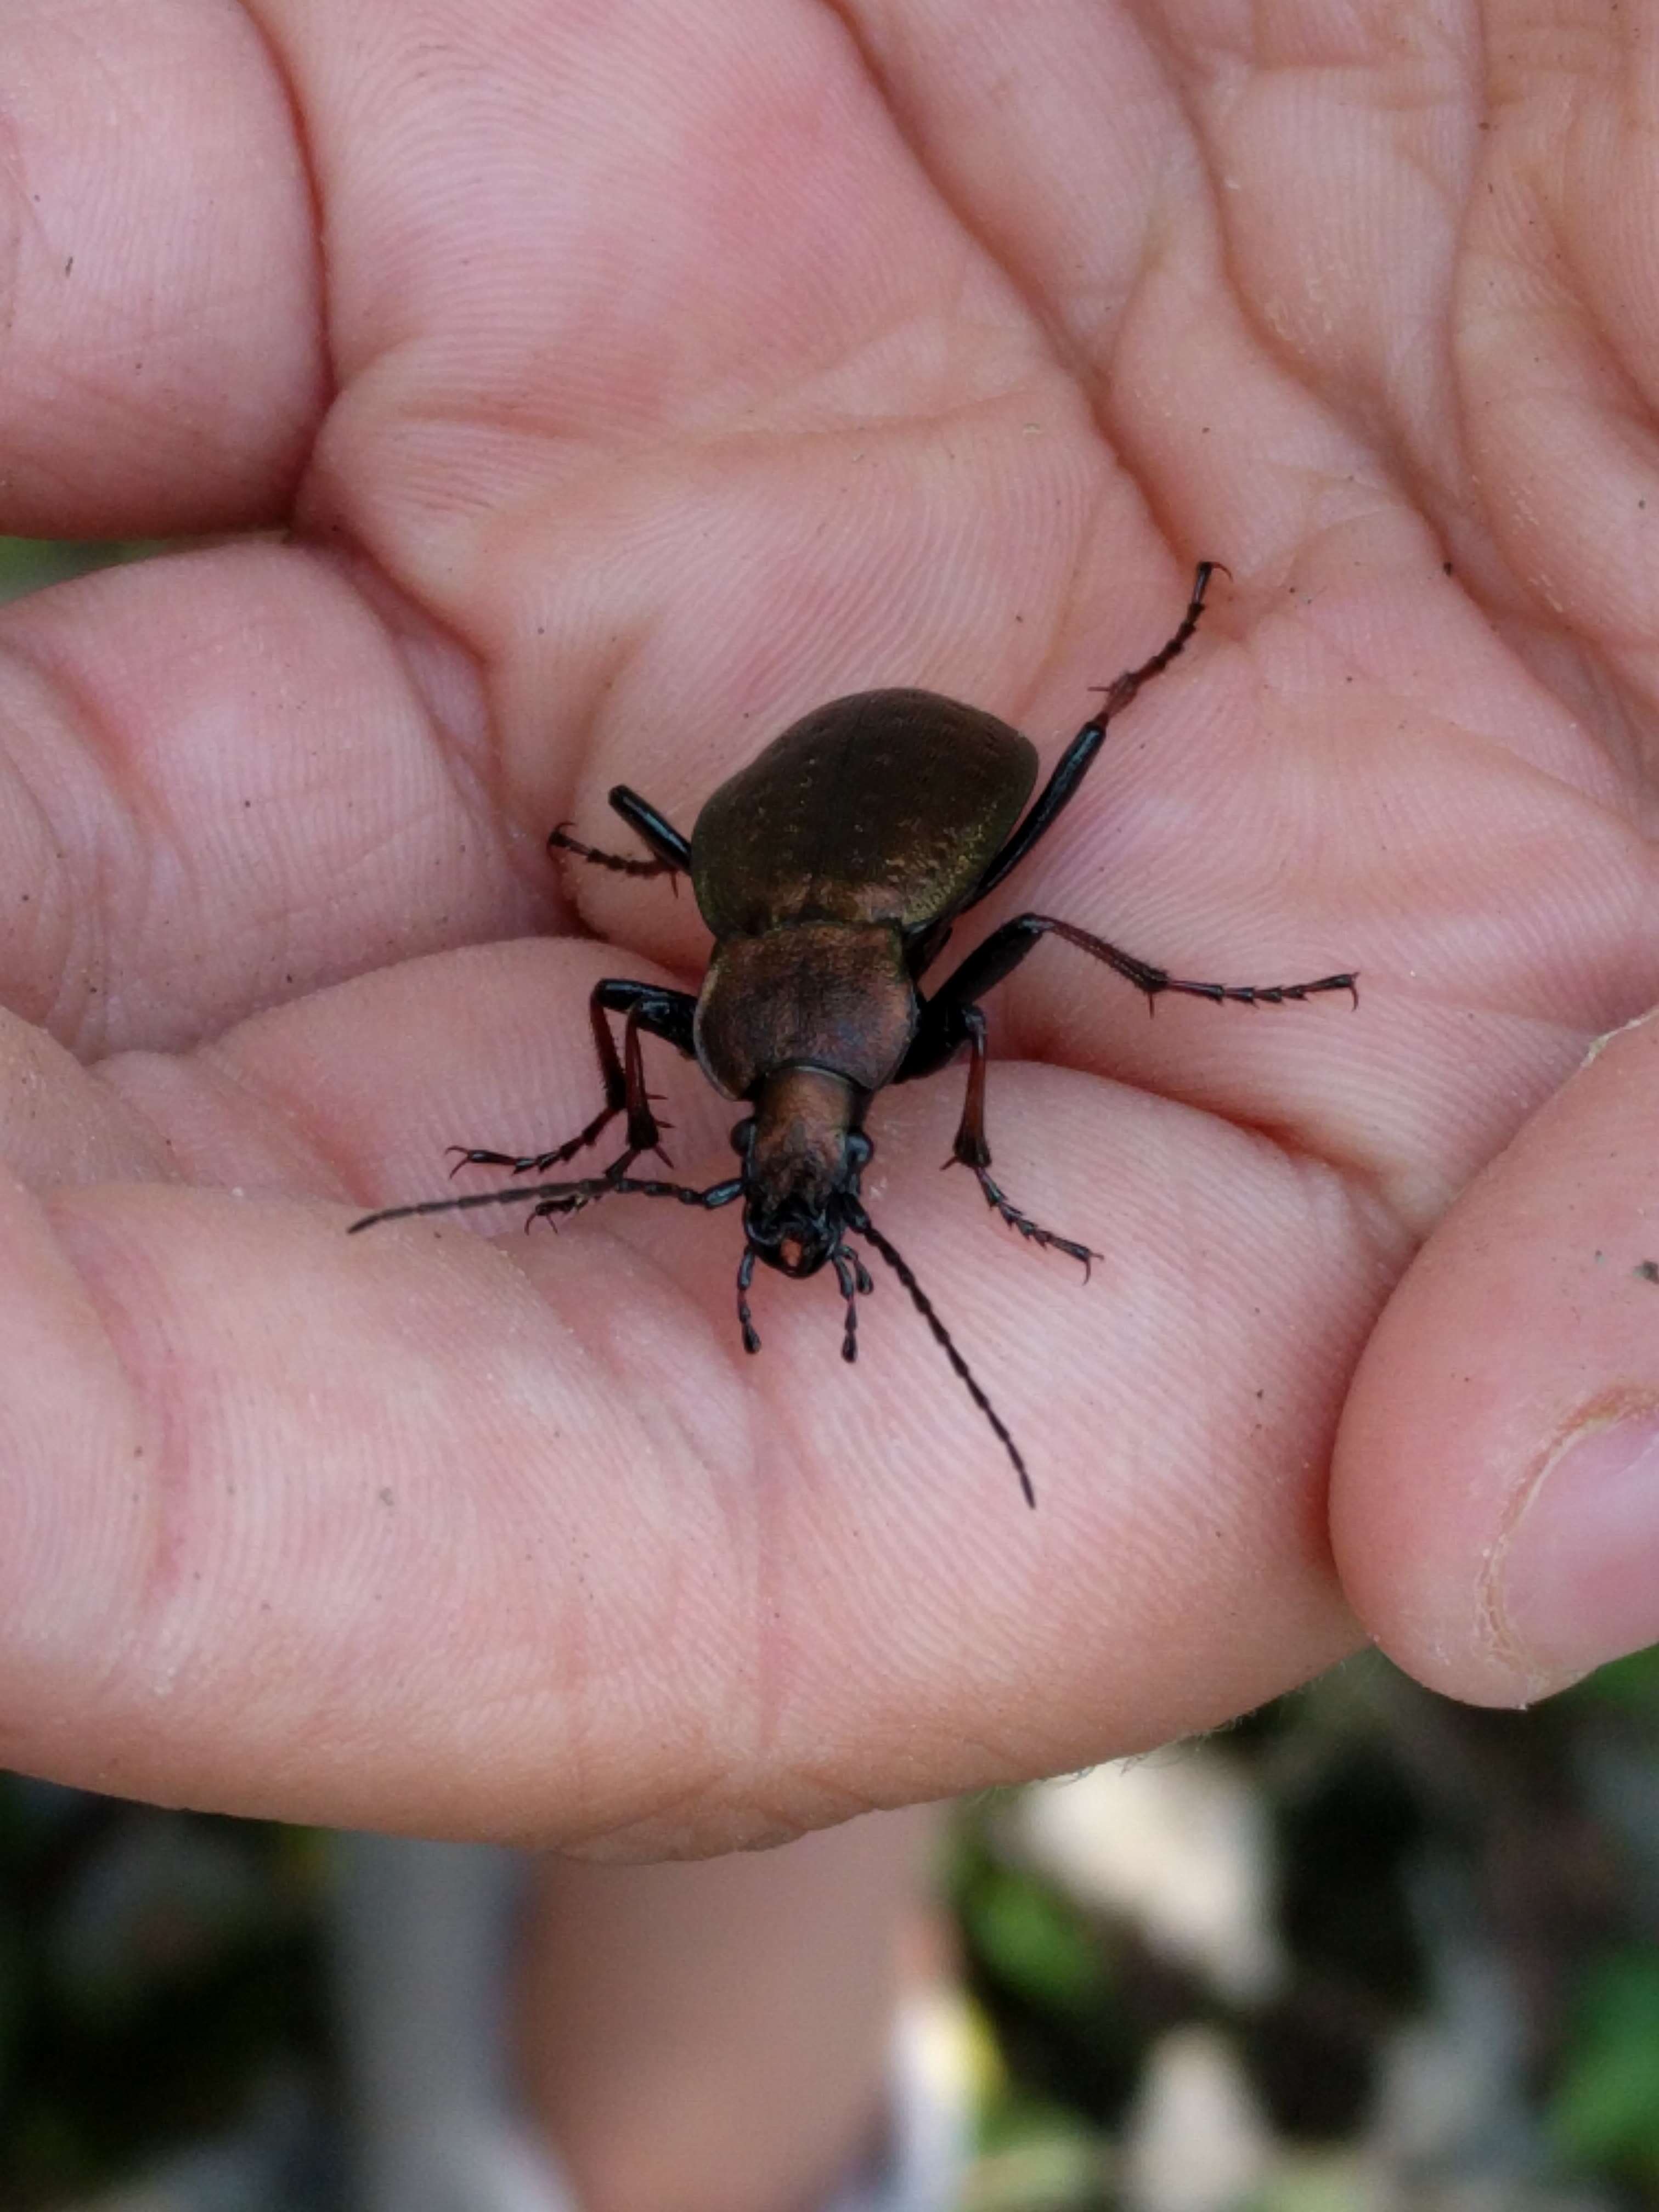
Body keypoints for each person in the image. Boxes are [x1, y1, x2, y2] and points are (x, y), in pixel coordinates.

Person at [1, 2, 1655, 2206]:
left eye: (789, 1148)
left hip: (872, 813)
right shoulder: (727, 988)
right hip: (792, 858)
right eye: (809, 1148)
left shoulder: (865, 986)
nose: (787, 1162)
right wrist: (627, 1112)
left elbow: (992, 957)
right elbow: (691, 1003)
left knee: (1043, 929)